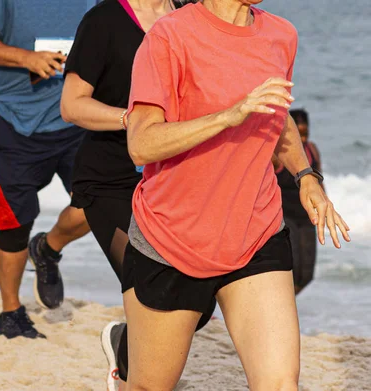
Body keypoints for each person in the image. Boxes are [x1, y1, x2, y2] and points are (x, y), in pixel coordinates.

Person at [123, 1, 350, 389]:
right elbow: (141, 143)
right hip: (172, 239)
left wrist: (306, 175)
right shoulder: (169, 37)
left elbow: (276, 119)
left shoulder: (281, 35)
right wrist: (230, 115)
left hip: (256, 231)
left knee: (279, 383)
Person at [60, 0, 211, 389]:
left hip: (174, 179)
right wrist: (135, 119)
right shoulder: (103, 20)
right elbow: (71, 105)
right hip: (109, 180)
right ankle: (129, 372)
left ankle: (122, 341)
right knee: (154, 288)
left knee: (201, 303)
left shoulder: (189, 13)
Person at [0, 0, 95, 339]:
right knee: (16, 223)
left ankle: (48, 249)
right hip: (12, 118)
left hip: (78, 116)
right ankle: (11, 313)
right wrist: (28, 58)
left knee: (98, 205)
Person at [274, 109, 323, 294]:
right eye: (299, 134)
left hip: (307, 217)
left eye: (305, 134)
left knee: (306, 276)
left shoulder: (312, 150)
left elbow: (318, 181)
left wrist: (325, 207)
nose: (302, 139)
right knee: (292, 272)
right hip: (286, 218)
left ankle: (283, 310)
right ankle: (279, 315)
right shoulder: (279, 154)